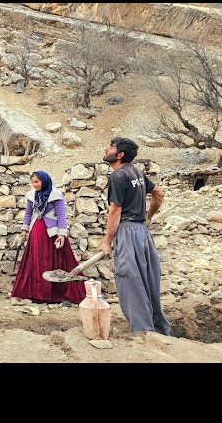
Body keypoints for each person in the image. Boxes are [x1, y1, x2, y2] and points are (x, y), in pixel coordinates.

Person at [100, 137, 170, 335]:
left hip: (128, 231)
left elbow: (115, 210)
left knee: (130, 280)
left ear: (119, 155)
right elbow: (159, 194)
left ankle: (143, 331)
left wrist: (107, 242)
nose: (107, 148)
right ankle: (159, 328)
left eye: (111, 147)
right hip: (142, 232)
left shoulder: (118, 176)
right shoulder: (137, 172)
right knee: (148, 279)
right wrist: (148, 217)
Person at [11, 171, 86, 304]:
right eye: (33, 182)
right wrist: (24, 230)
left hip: (52, 234)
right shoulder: (32, 196)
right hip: (36, 234)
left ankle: (56, 294)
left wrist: (62, 234)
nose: (34, 185)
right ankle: (37, 294)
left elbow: (62, 216)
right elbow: (28, 214)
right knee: (36, 261)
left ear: (44, 181)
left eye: (37, 182)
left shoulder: (55, 195)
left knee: (54, 261)